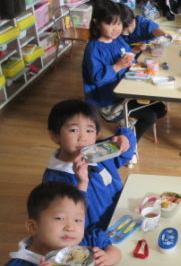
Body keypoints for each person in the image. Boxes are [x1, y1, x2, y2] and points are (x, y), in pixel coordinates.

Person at [43, 99, 136, 241]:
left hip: (122, 219)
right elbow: (68, 218)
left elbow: (126, 151)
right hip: (95, 237)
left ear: (97, 135)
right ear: (55, 135)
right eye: (74, 130)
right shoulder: (53, 180)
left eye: (89, 130)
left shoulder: (99, 152)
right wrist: (82, 183)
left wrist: (124, 138)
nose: (83, 137)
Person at [82, 0, 167, 142]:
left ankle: (127, 129)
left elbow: (127, 57)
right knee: (150, 116)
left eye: (119, 23)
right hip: (109, 102)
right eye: (110, 24)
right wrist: (117, 66)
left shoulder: (118, 40)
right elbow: (97, 77)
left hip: (126, 91)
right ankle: (128, 143)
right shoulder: (93, 49)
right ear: (96, 23)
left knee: (161, 109)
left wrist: (135, 51)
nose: (116, 28)